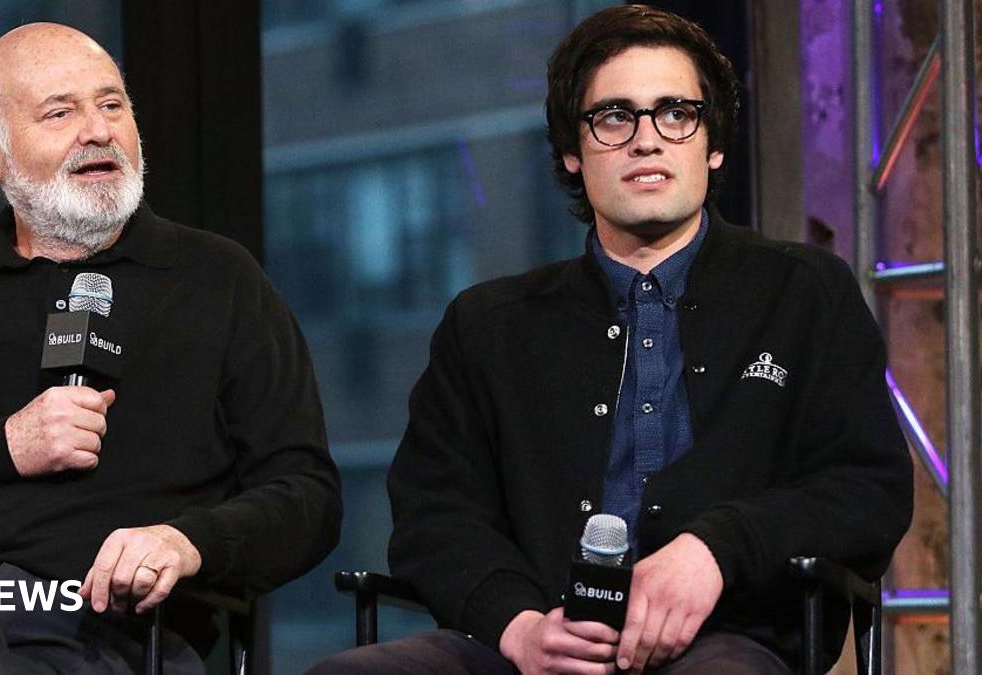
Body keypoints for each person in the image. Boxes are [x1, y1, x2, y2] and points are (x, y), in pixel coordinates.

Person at [312, 5, 911, 674]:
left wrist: (718, 548)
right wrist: (517, 625)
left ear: (713, 145)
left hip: (728, 638)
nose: (646, 140)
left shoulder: (804, 293)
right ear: (572, 152)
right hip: (530, 644)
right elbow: (434, 515)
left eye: (676, 113)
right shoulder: (487, 325)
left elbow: (868, 489)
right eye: (614, 116)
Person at [0, 22, 341, 674]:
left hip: (107, 635)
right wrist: (5, 446)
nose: (99, 130)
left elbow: (308, 496)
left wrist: (189, 541)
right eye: (61, 112)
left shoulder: (216, 280)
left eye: (112, 104)